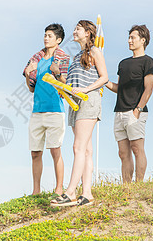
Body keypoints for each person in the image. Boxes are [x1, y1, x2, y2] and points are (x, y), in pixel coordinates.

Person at [51, 20, 108, 207]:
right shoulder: (76, 57)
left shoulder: (95, 52)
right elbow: (71, 85)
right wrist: (59, 80)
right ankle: (87, 194)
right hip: (74, 104)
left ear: (88, 33)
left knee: (78, 147)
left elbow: (104, 78)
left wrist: (86, 89)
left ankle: (70, 192)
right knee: (87, 150)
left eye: (78, 29)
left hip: (88, 101)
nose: (74, 31)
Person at [105, 25, 153, 183]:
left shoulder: (149, 62)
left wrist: (138, 110)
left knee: (137, 148)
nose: (129, 40)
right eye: (129, 37)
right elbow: (118, 88)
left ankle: (138, 184)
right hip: (119, 112)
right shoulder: (123, 63)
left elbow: (149, 89)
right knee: (122, 152)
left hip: (136, 112)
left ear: (143, 40)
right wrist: (104, 82)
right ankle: (127, 187)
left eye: (133, 37)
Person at [23, 23, 70, 196]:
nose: (45, 38)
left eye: (49, 36)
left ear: (58, 40)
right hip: (37, 111)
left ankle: (59, 188)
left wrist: (57, 73)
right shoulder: (35, 59)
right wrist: (29, 74)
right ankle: (36, 190)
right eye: (45, 35)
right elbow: (31, 88)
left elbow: (65, 86)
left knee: (55, 150)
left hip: (55, 110)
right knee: (35, 153)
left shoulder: (63, 58)